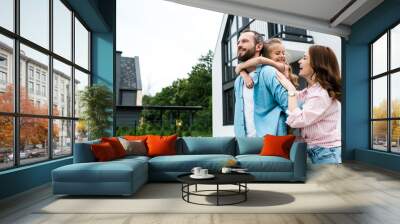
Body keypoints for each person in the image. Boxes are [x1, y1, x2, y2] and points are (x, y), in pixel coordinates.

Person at [275, 45, 342, 164]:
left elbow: (296, 121)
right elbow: (296, 98)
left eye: (305, 58)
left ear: (317, 64)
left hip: (326, 153)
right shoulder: (311, 90)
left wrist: (290, 89)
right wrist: (286, 79)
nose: (300, 61)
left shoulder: (321, 94)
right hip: (316, 151)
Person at [234, 30, 288, 137]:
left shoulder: (269, 72)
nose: (239, 45)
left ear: (258, 47)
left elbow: (290, 106)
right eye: (238, 43)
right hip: (245, 144)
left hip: (271, 144)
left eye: (244, 41)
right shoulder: (238, 81)